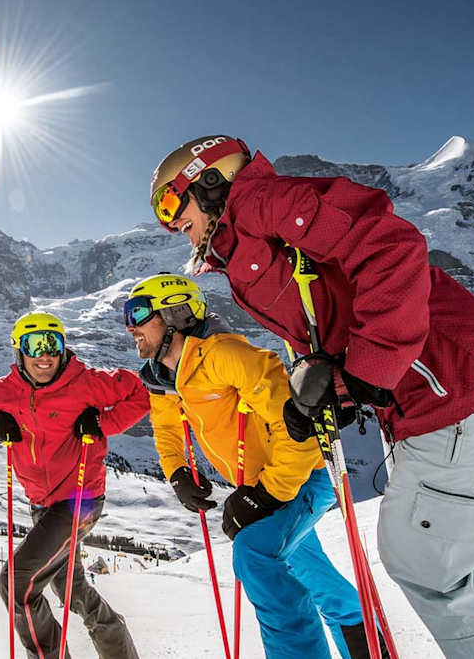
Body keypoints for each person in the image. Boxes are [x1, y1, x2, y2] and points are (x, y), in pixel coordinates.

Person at [148, 136, 474, 658]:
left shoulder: (268, 204)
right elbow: (323, 320)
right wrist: (324, 390)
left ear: (210, 181)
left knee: (430, 564)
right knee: (448, 569)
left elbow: (390, 248)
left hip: (464, 389)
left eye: (170, 204)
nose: (171, 224)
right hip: (443, 404)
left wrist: (365, 370)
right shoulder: (249, 245)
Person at [126, 273, 377, 659]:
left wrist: (266, 495)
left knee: (255, 553)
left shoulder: (225, 355)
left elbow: (298, 427)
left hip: (303, 474)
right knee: (310, 573)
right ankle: (370, 649)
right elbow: (167, 425)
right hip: (268, 483)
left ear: (175, 314)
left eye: (138, 313)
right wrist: (177, 472)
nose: (130, 327)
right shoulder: (165, 376)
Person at [0, 311, 148, 659]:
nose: (44, 354)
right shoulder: (4, 391)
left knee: (16, 583)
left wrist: (102, 423)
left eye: (52, 344)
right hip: (41, 505)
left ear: (63, 348)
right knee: (72, 591)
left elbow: (139, 392)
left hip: (81, 500)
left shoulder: (86, 383)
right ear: (20, 350)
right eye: (34, 345)